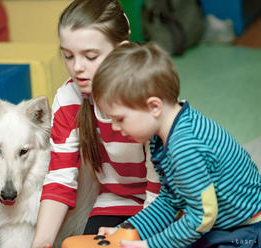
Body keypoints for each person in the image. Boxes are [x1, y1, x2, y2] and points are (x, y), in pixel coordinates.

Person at [92, 42, 261, 248]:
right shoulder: (165, 132)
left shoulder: (184, 147)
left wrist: (149, 245)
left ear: (154, 106)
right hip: (217, 223)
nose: (115, 127)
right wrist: (128, 229)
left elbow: (202, 218)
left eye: (120, 118)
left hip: (243, 230)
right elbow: (170, 201)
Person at [31, 1, 160, 247]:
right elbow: (59, 178)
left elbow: (160, 188)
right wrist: (42, 242)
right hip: (113, 201)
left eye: (90, 56)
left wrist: (134, 233)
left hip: (163, 204)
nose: (77, 68)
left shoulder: (148, 97)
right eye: (67, 56)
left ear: (120, 51)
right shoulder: (68, 99)